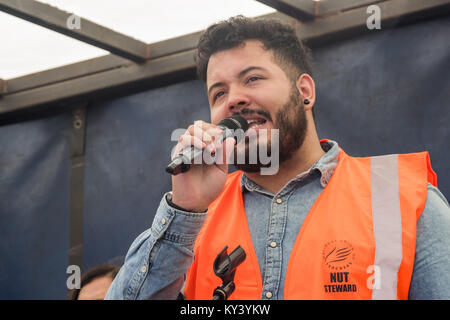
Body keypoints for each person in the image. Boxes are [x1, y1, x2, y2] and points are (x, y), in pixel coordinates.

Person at [105, 16, 450, 300]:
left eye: (252, 78)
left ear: (304, 92)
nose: (234, 100)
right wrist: (185, 211)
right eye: (219, 92)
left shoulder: (406, 199)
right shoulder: (193, 219)